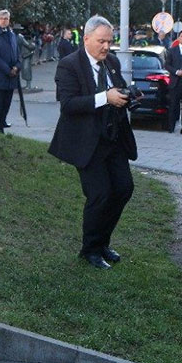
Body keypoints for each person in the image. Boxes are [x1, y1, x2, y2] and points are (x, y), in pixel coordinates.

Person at [48, 15, 137, 269]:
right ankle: (90, 250)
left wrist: (128, 96)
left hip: (114, 139)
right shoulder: (69, 65)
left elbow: (116, 90)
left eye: (110, 41)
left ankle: (103, 243)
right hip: (86, 143)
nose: (106, 47)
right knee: (99, 194)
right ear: (86, 38)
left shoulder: (112, 62)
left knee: (123, 189)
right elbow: (69, 105)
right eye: (101, 41)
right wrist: (104, 98)